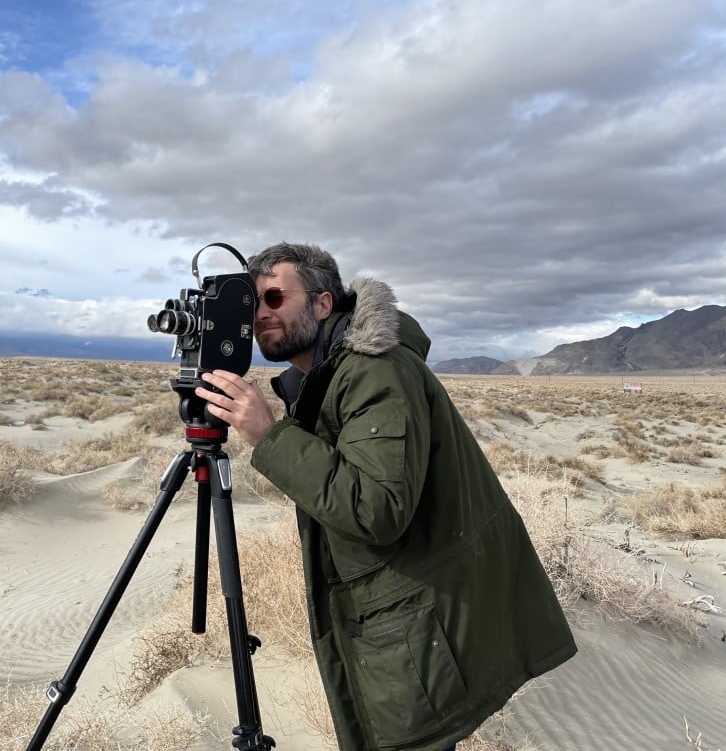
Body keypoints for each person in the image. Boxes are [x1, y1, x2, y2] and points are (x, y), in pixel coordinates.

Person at [195, 243, 577, 751]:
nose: (260, 313)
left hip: (416, 624)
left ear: (323, 303)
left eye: (273, 296)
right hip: (399, 615)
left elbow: (377, 509)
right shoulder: (324, 377)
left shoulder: (373, 370)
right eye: (251, 302)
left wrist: (271, 436)